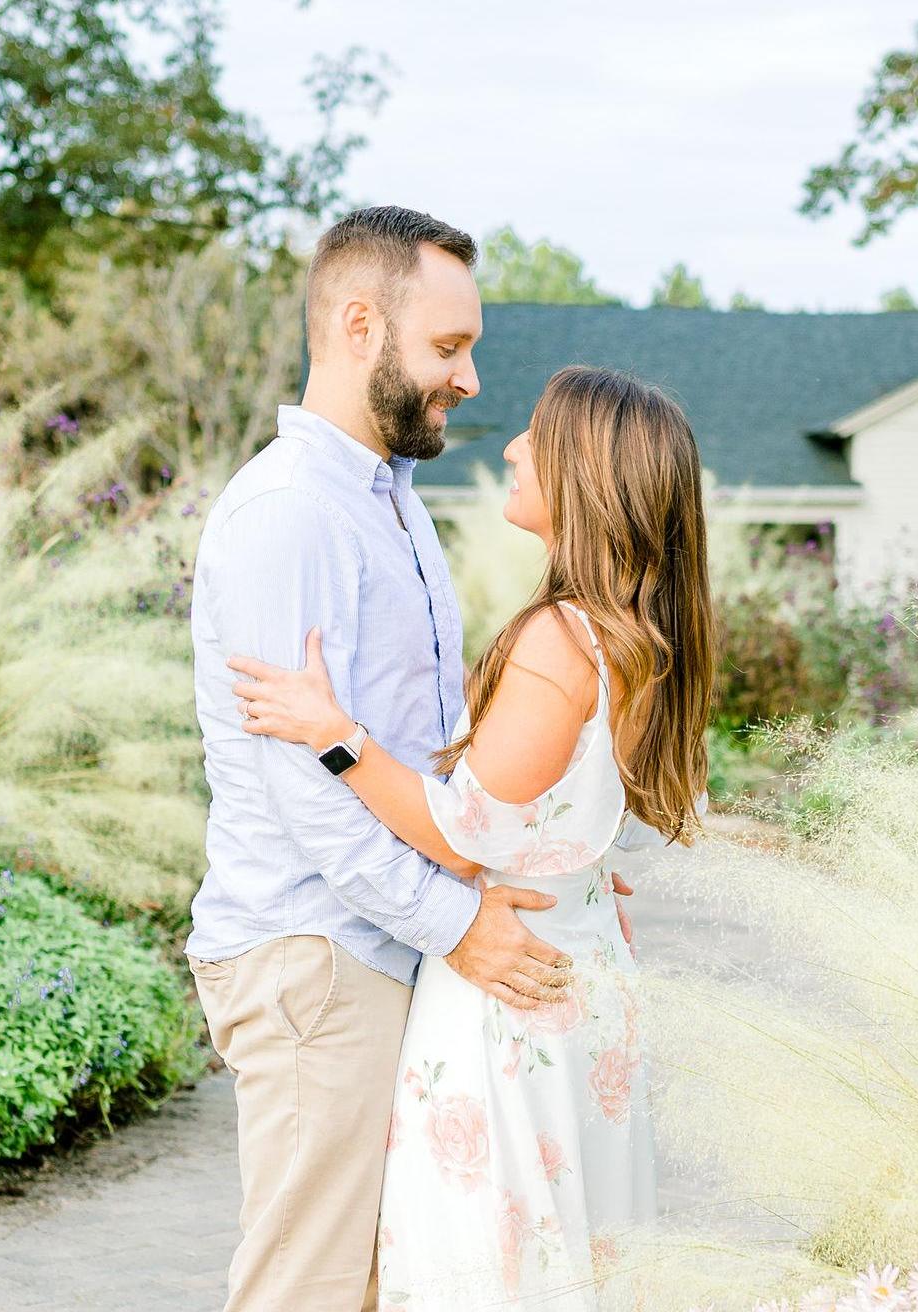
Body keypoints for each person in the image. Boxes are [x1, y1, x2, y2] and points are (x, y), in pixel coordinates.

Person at [188, 205, 603, 1311]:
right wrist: (459, 924)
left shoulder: (392, 506)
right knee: (307, 1288)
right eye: (448, 347)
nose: (469, 379)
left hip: (386, 943)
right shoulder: (289, 515)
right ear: (360, 326)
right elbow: (306, 794)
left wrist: (530, 858)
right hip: (315, 952)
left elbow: (429, 750)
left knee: (386, 1284)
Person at [230, 363, 715, 1308]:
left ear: (589, 474)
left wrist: (336, 736)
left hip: (513, 998)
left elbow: (461, 839)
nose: (515, 448)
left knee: (483, 1265)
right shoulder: (640, 638)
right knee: (569, 1259)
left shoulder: (560, 639)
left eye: (538, 434)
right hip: (576, 971)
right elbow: (578, 814)